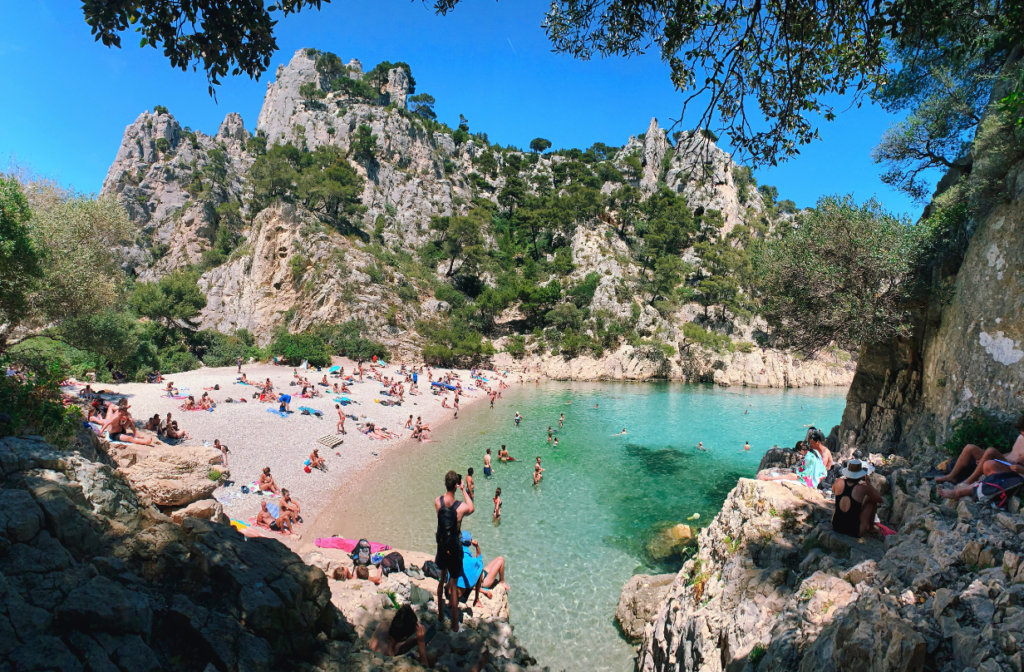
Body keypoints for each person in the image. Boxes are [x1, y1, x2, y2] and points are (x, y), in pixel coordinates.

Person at [434, 470, 474, 631]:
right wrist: (464, 489)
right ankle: (455, 626)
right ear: (456, 486)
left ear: (445, 484)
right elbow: (472, 507)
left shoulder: (437, 502)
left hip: (442, 546)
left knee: (442, 579)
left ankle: (440, 615)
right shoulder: (461, 507)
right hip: (455, 548)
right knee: (453, 583)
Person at [936, 415, 1024, 486]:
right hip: (1005, 460)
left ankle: (968, 482)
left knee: (990, 451)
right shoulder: (1020, 437)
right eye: (1022, 433)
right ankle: (951, 476)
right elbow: (1013, 452)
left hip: (1012, 468)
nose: (1022, 435)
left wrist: (1020, 466)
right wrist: (1003, 456)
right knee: (970, 448)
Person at [832, 460, 885, 537]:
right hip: (853, 530)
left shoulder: (838, 481)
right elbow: (879, 499)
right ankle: (871, 528)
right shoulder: (862, 488)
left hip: (836, 525)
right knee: (871, 500)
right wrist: (868, 484)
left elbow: (833, 489)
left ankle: (869, 527)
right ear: (860, 475)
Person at [456, 531, 510, 605]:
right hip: (483, 582)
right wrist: (485, 592)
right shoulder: (468, 562)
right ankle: (502, 581)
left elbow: (479, 562)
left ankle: (502, 581)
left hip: (482, 573)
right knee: (500, 561)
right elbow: (472, 584)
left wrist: (477, 547)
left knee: (500, 558)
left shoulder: (462, 556)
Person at [758, 441, 826, 488]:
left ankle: (768, 478)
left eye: (799, 452)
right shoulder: (815, 452)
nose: (800, 454)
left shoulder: (808, 458)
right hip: (818, 476)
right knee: (791, 474)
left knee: (790, 476)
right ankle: (769, 478)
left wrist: (796, 471)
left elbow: (805, 473)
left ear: (802, 450)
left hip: (812, 481)